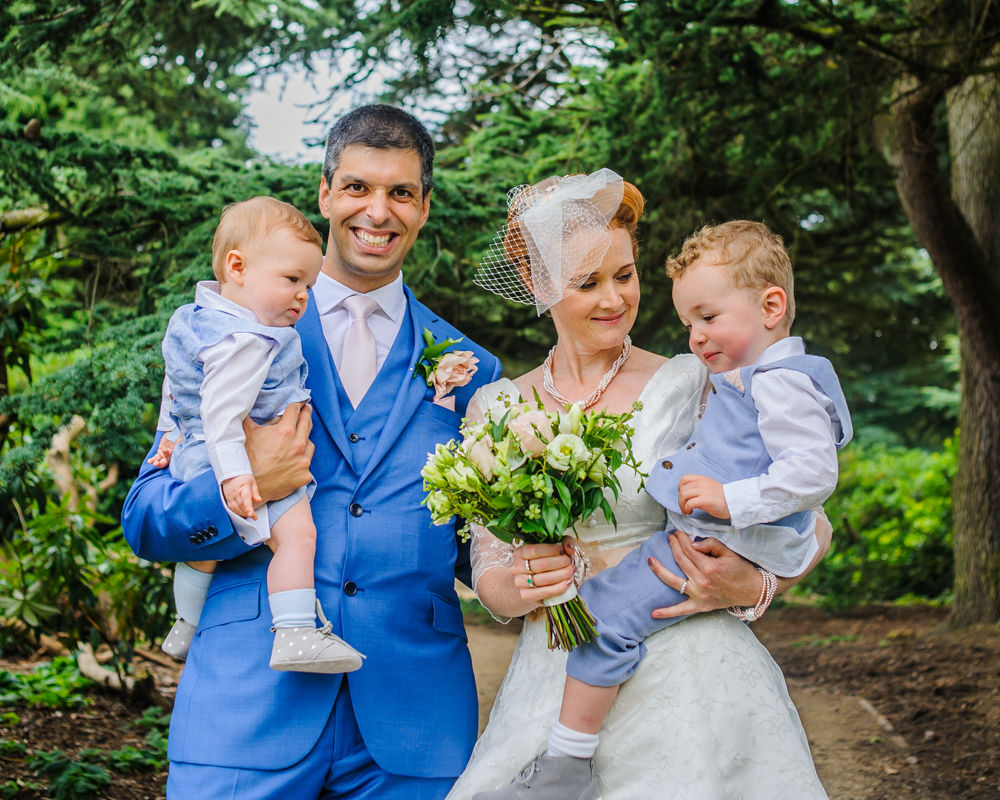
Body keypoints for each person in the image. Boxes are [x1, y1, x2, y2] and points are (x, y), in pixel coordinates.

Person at [122, 105, 502, 799]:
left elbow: (479, 551)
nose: (377, 211)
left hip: (413, 734)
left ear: (424, 208)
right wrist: (249, 485)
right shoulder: (223, 338)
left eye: (401, 193)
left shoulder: (472, 368)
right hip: (245, 712)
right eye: (357, 187)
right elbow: (148, 517)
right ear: (325, 193)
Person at [447, 170, 831, 800]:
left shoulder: (693, 380)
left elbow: (811, 519)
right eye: (587, 282)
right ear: (537, 285)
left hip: (690, 666)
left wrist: (756, 584)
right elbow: (487, 569)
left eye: (625, 275)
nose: (614, 299)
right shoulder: (496, 408)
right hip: (559, 667)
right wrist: (521, 582)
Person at [151, 196, 364, 674]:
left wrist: (170, 435)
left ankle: (185, 622)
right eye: (292, 280)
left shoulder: (191, 320)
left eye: (308, 284)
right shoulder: (248, 340)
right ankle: (294, 633)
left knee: (201, 558)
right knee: (296, 535)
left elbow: (179, 387)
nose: (303, 296)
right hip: (238, 465)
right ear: (237, 266)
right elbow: (223, 415)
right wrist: (237, 477)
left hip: (193, 454)